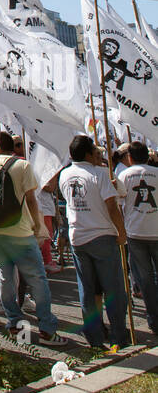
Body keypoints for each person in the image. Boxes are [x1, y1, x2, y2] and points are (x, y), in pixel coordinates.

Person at [59, 134, 129, 350]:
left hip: (78, 237)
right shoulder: (98, 173)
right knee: (114, 289)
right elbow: (111, 206)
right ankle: (118, 337)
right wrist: (122, 231)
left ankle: (95, 339)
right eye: (95, 152)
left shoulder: (64, 174)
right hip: (101, 236)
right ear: (88, 154)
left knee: (88, 291)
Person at [0, 132, 61, 344]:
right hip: (21, 232)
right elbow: (31, 199)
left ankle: (14, 322)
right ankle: (47, 328)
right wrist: (37, 225)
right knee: (37, 280)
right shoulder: (22, 165)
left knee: (5, 279)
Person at [117, 141, 158, 336]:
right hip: (151, 230)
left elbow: (118, 203)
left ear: (130, 157)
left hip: (135, 232)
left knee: (146, 279)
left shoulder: (123, 175)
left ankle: (154, 319)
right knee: (149, 278)